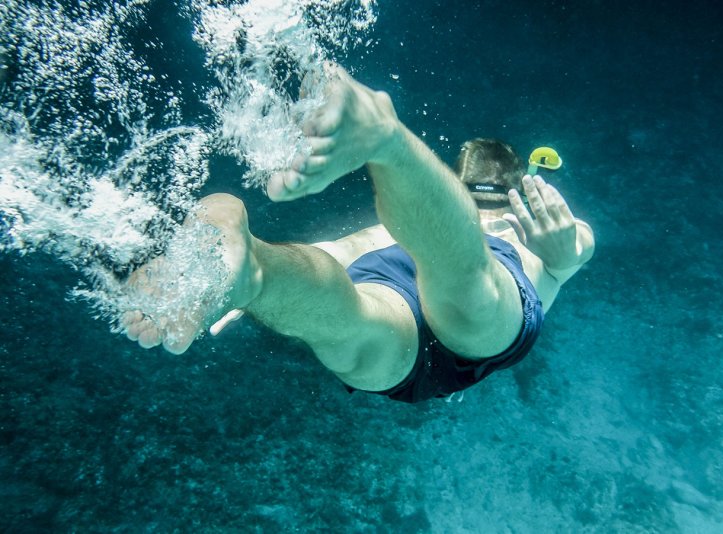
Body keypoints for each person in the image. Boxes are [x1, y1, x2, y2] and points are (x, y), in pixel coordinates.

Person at [123, 65, 594, 403]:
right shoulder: (539, 228)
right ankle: (388, 143)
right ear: (516, 189)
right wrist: (563, 253)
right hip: (460, 308)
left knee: (347, 317)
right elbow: (574, 248)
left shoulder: (418, 222)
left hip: (396, 278)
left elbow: (343, 249)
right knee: (470, 294)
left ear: (455, 183)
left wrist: (239, 285)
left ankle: (255, 270)